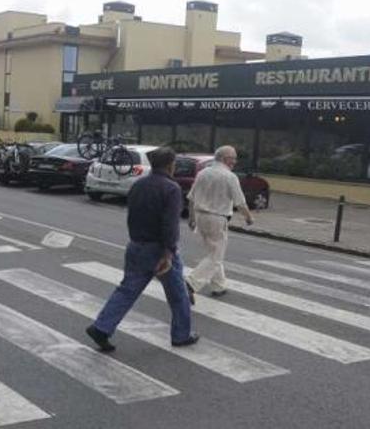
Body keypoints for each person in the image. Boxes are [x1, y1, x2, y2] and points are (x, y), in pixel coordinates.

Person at [86, 147, 198, 351]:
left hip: (136, 245)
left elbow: (132, 215)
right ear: (171, 165)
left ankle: (101, 327)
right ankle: (181, 335)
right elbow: (170, 225)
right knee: (178, 294)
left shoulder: (138, 185)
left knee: (126, 291)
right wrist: (168, 253)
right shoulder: (171, 189)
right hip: (158, 249)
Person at [185, 145, 254, 300]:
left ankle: (219, 285)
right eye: (233, 158)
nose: (235, 161)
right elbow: (240, 202)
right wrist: (248, 217)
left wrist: (191, 217)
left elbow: (191, 197)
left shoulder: (203, 173)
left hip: (200, 216)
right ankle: (190, 283)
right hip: (217, 218)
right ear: (225, 158)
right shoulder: (230, 176)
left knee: (213, 252)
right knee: (215, 256)